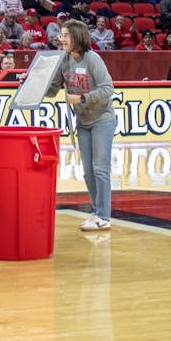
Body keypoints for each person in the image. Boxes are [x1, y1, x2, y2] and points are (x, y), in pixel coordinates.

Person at [45, 19, 116, 232]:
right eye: (61, 35)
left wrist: (82, 99)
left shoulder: (93, 59)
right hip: (83, 122)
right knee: (87, 171)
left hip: (102, 119)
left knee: (100, 169)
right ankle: (96, 213)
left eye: (65, 35)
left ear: (77, 38)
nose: (61, 39)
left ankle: (104, 216)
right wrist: (31, 81)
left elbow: (107, 89)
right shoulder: (64, 61)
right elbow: (52, 90)